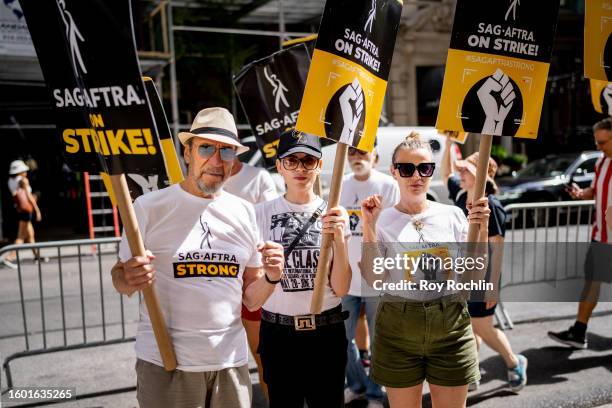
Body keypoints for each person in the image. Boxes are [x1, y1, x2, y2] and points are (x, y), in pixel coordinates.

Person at [109, 107, 285, 408]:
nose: (216, 161)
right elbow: (121, 279)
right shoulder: (149, 207)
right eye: (206, 148)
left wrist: (272, 277)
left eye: (227, 151)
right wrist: (128, 277)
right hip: (167, 365)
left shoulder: (244, 212)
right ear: (187, 152)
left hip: (230, 365)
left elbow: (251, 298)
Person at [360, 132, 490, 408]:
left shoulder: (453, 215)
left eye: (425, 168)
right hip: (398, 326)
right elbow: (374, 279)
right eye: (407, 169)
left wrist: (483, 230)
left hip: (451, 325)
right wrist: (369, 230)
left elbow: (473, 275)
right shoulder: (380, 219)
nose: (416, 176)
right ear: (394, 171)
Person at [255, 129, 352, 408]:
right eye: (291, 161)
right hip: (279, 333)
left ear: (320, 166)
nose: (300, 168)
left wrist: (340, 241)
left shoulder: (334, 211)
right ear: (279, 167)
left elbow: (343, 288)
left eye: (308, 161)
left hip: (326, 332)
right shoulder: (260, 213)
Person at [441, 137, 527, 393]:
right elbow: (447, 172)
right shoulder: (460, 194)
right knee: (468, 325)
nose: (460, 173)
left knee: (482, 327)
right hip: (461, 274)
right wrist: (447, 142)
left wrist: (492, 288)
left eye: (466, 170)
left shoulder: (492, 206)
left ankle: (514, 362)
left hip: (484, 276)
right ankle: (471, 372)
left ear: (479, 175)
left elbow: (496, 248)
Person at [340, 142, 399, 407]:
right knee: (340, 339)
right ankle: (357, 385)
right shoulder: (339, 185)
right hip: (345, 280)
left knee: (380, 341)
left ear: (374, 155)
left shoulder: (388, 185)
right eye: (351, 152)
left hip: (379, 280)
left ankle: (375, 392)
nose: (356, 156)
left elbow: (398, 231)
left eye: (362, 151)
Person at [549, 117, 612, 349]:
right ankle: (579, 332)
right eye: (597, 142)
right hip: (602, 237)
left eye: (603, 142)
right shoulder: (602, 162)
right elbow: (595, 191)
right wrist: (580, 193)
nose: (598, 147)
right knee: (591, 284)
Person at [224, 157, 278, 399]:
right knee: (226, 359)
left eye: (225, 150)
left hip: (254, 275)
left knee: (266, 357)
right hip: (219, 281)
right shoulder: (202, 182)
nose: (218, 157)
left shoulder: (258, 177)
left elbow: (272, 220)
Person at [1, 160, 42, 269]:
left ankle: (37, 256)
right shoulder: (23, 181)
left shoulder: (10, 181)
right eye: (24, 170)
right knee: (21, 237)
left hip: (20, 210)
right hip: (26, 210)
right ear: (20, 171)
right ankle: (9, 258)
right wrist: (37, 210)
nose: (26, 172)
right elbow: (29, 197)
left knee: (31, 235)